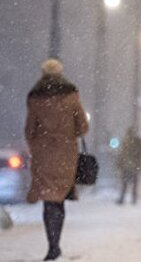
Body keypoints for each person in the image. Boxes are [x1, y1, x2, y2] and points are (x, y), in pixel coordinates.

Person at [25, 58, 89, 261]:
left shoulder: (35, 97)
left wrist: (38, 142)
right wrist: (68, 132)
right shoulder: (71, 95)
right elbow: (83, 126)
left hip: (43, 154)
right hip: (66, 153)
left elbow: (29, 130)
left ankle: (52, 245)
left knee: (48, 198)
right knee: (59, 198)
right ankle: (56, 246)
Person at [116, 127, 141, 205]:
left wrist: (119, 163)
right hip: (134, 165)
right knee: (134, 184)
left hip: (126, 165)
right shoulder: (137, 141)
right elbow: (140, 154)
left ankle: (123, 198)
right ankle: (133, 199)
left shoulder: (126, 141)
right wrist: (140, 164)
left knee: (124, 183)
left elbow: (121, 153)